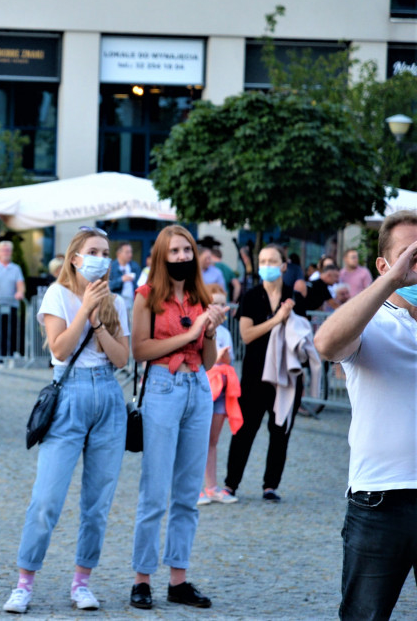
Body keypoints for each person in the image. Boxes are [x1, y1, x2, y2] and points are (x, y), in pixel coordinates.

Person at [2, 228, 129, 614]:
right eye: (93, 251)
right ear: (75, 258)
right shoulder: (57, 295)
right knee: (46, 499)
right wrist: (85, 309)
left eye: (105, 253)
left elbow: (122, 358)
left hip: (108, 395)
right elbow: (59, 348)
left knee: (98, 502)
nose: (101, 258)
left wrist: (100, 320)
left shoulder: (117, 302)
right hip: (69, 393)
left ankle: (82, 581)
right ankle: (24, 583)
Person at [313, 210, 417, 621]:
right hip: (379, 500)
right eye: (409, 254)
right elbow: (326, 343)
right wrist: (393, 282)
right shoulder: (371, 322)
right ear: (383, 265)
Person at [129, 225, 226, 611]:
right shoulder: (146, 296)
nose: (183, 256)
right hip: (162, 388)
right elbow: (140, 350)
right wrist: (191, 334)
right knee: (154, 491)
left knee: (188, 493)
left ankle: (178, 580)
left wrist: (210, 332)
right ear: (161, 256)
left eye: (187, 249)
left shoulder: (201, 296)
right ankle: (142, 579)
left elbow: (208, 360)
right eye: (175, 251)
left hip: (198, 388)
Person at [222, 245, 306, 504]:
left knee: (280, 432)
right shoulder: (251, 296)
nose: (266, 265)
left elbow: (304, 337)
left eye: (272, 261)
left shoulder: (294, 297)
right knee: (244, 430)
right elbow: (247, 335)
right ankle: (230, 483)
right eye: (262, 261)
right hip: (254, 375)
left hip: (286, 376)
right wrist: (277, 319)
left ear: (283, 266)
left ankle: (271, 485)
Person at [197, 285, 242, 506]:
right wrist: (217, 357)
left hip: (222, 391)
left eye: (223, 304)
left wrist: (221, 358)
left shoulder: (225, 333)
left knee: (212, 441)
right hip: (204, 390)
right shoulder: (198, 328)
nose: (219, 308)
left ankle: (212, 487)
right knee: (197, 441)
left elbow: (228, 360)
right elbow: (202, 361)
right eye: (214, 303)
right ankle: (195, 488)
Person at [108, 242, 140, 307]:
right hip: (116, 303)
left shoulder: (135, 266)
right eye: (127, 252)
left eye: (131, 252)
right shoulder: (111, 267)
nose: (130, 255)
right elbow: (108, 286)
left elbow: (140, 284)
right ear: (118, 254)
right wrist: (121, 280)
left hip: (133, 303)